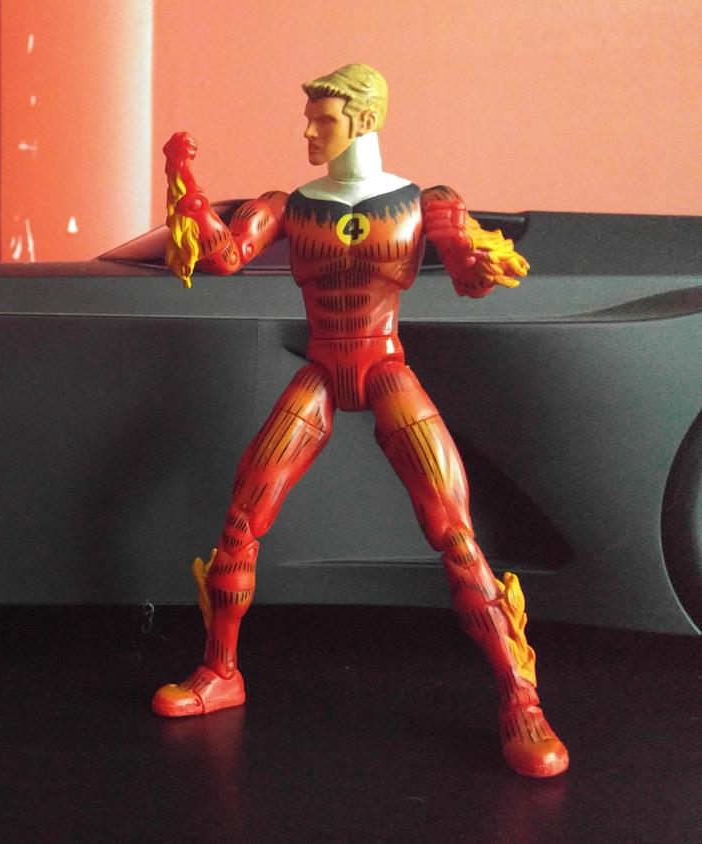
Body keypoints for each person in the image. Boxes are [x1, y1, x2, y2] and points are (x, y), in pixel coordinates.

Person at [153, 63, 567, 778]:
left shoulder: (425, 202)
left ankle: (520, 698)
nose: (309, 132)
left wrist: (476, 260)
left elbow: (467, 276)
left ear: (365, 120)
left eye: (323, 119)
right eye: (310, 118)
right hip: (322, 365)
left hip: (382, 364)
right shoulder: (289, 204)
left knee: (453, 528)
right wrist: (183, 180)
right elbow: (222, 256)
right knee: (243, 514)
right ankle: (221, 670)